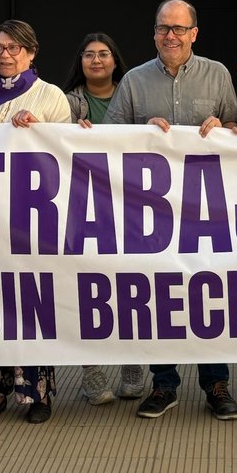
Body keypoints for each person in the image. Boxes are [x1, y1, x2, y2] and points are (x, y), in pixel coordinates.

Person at [104, 0, 237, 422]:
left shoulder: (217, 75)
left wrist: (225, 130)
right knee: (158, 296)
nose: (171, 36)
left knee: (208, 294)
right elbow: (107, 139)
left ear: (194, 34)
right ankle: (164, 384)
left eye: (179, 29)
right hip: (152, 216)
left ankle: (216, 383)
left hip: (206, 214)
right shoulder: (133, 80)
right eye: (164, 28)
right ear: (154, 33)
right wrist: (139, 132)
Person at [0, 20, 72, 424]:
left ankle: (37, 393)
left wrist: (39, 131)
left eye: (14, 48)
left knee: (30, 302)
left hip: (33, 219)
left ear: (31, 52)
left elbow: (68, 153)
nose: (5, 55)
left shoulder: (50, 95)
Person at [61, 32, 144, 406]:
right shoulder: (67, 102)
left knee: (131, 289)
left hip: (128, 209)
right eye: (89, 54)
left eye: (104, 54)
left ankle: (132, 366)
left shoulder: (135, 93)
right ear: (80, 61)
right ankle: (91, 372)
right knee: (84, 290)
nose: (96, 61)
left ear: (115, 60)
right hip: (82, 208)